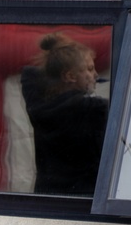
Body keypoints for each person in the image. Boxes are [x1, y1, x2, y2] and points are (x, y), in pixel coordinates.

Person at [21, 33, 109, 196]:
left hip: (47, 196)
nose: (96, 75)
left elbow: (30, 74)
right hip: (83, 199)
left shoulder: (37, 102)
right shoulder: (92, 109)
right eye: (90, 69)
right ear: (69, 76)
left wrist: (60, 58)